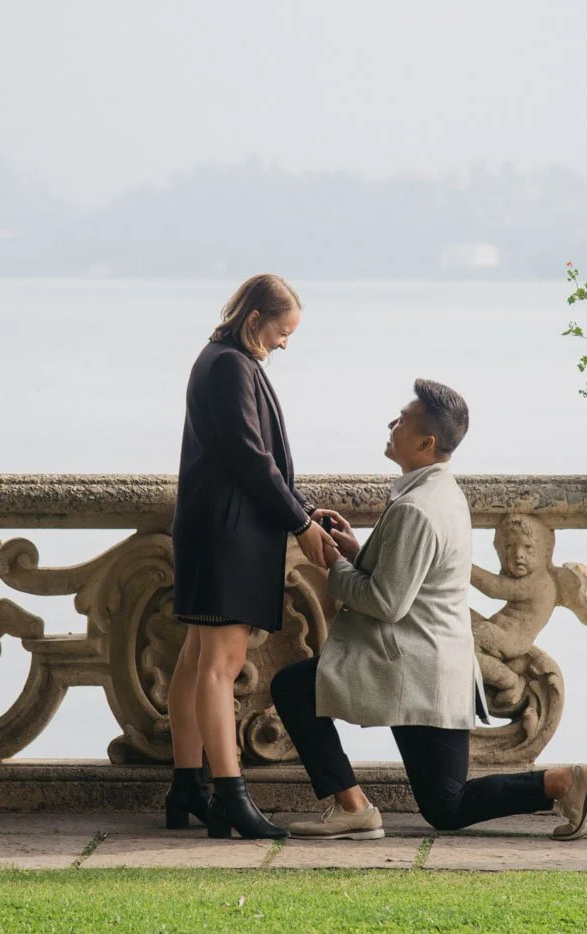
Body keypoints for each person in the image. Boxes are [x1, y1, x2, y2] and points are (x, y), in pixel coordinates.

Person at [270, 379, 587, 841]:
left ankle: (354, 807)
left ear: (425, 442)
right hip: (435, 664)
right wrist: (354, 552)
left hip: (410, 668)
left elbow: (386, 602)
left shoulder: (416, 507)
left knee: (292, 687)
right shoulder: (442, 491)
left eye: (403, 420)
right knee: (445, 805)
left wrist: (333, 564)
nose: (392, 424)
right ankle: (565, 783)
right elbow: (411, 573)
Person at [166, 273, 335, 840]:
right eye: (283, 332)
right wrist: (301, 522)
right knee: (221, 667)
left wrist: (304, 508)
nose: (286, 343)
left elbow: (258, 460)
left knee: (196, 661)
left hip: (212, 531)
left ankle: (188, 787)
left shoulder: (220, 359)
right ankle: (230, 798)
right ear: (255, 318)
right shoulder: (230, 366)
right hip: (227, 538)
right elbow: (250, 457)